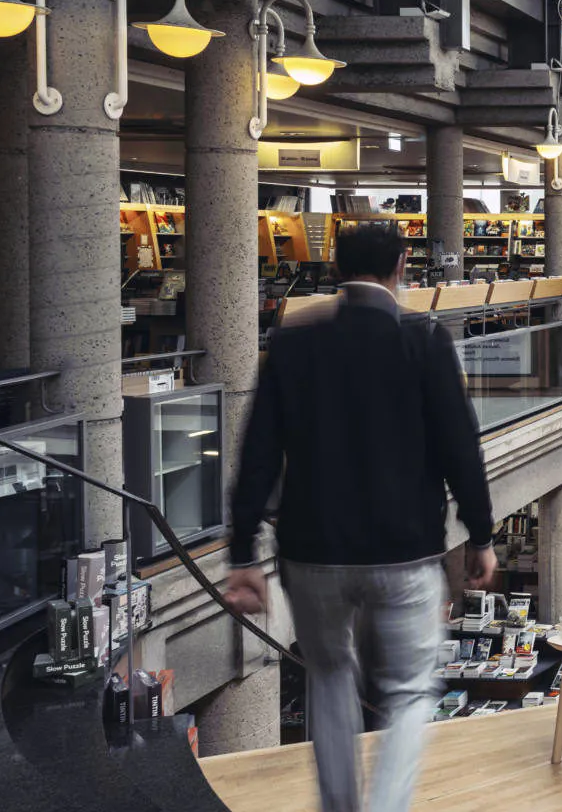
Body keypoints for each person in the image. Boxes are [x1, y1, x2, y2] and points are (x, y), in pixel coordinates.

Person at [224, 223, 497, 812]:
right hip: (406, 553)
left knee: (328, 677)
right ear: (402, 264)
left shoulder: (293, 344)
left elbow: (258, 451)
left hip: (312, 552)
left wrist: (242, 553)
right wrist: (481, 534)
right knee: (409, 691)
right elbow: (460, 446)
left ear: (333, 267)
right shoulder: (424, 342)